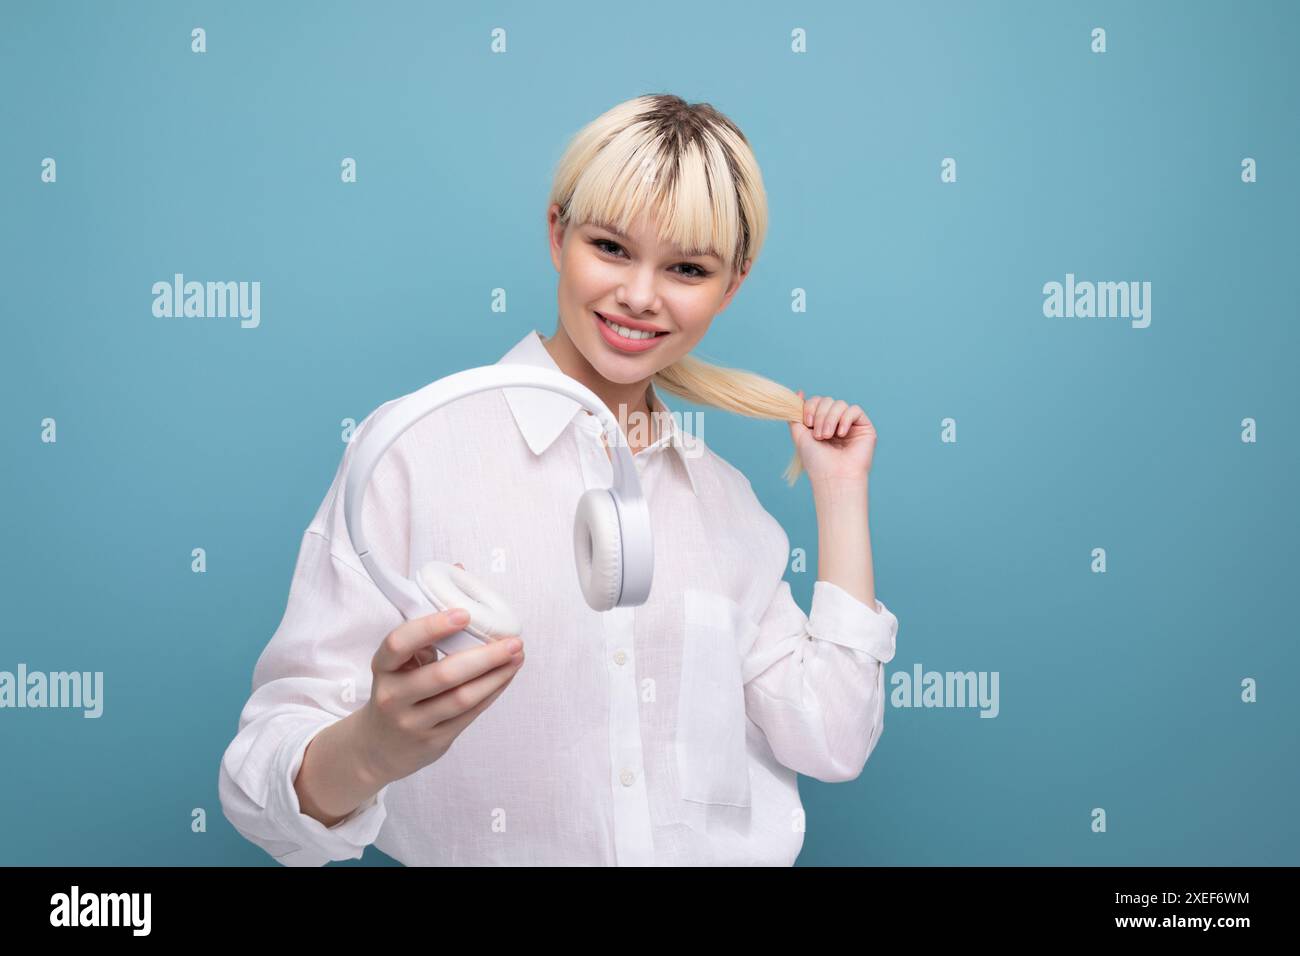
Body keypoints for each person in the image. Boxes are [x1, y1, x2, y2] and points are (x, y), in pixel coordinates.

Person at [217, 93, 899, 866]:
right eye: (610, 247)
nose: (640, 296)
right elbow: (256, 786)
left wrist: (841, 497)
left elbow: (834, 740)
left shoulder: (727, 506)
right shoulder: (411, 450)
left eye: (685, 268)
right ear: (557, 234)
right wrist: (374, 749)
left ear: (730, 286)